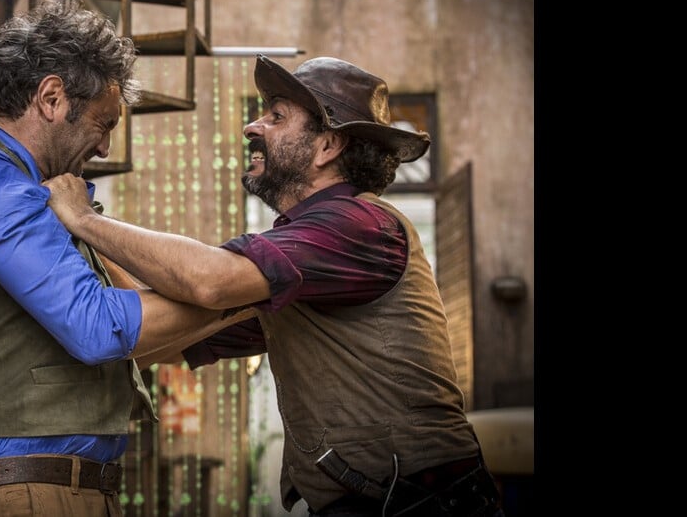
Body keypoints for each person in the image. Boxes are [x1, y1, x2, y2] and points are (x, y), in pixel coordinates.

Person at [45, 54, 506, 516]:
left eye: (276, 116)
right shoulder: (296, 262)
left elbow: (208, 281)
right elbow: (160, 339)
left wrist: (83, 217)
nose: (253, 127)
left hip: (422, 504)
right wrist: (86, 234)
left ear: (327, 146)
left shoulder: (356, 224)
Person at [0, 0, 254, 517]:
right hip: (19, 494)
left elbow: (136, 320)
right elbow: (96, 327)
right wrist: (251, 283)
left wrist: (250, 303)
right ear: (51, 98)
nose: (107, 148)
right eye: (104, 123)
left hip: (68, 490)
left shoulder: (42, 191)